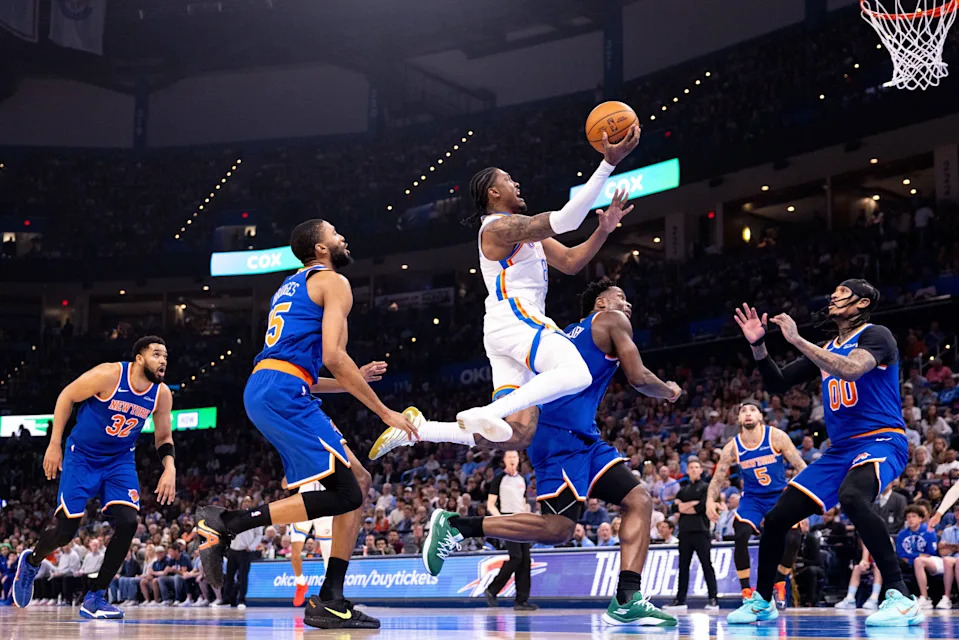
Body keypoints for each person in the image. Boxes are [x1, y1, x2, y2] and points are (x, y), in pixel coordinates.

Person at [417, 280, 682, 627]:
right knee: (558, 529)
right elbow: (638, 376)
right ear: (601, 303)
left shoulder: (565, 333)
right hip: (559, 437)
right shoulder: (612, 320)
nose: (627, 304)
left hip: (583, 436)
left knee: (639, 499)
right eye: (621, 297)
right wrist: (670, 392)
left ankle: (628, 597)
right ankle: (456, 525)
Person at [194, 219, 413, 630]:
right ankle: (230, 522)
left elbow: (308, 369)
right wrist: (385, 412)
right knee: (347, 490)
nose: (343, 236)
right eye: (335, 232)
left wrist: (355, 381)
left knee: (359, 483)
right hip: (281, 390)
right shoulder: (334, 282)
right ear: (321, 248)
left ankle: (332, 598)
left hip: (277, 385)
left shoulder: (293, 284)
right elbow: (333, 354)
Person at [370, 128, 642, 457]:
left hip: (505, 330)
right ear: (494, 193)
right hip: (515, 318)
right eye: (510, 180)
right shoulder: (499, 227)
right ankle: (487, 412)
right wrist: (606, 165)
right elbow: (565, 221)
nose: (517, 184)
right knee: (575, 373)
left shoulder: (522, 232)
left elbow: (570, 262)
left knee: (518, 435)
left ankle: (418, 429)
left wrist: (602, 230)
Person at [727, 280, 920, 626]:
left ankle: (900, 595)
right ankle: (763, 600)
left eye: (842, 293)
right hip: (841, 449)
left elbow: (850, 368)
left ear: (861, 303)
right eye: (832, 292)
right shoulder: (827, 346)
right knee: (776, 518)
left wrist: (796, 340)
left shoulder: (877, 335)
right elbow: (778, 383)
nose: (833, 296)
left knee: (852, 495)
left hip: (881, 439)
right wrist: (759, 347)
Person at [13, 337, 176, 619]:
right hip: (83, 455)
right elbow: (67, 396)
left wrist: (170, 467)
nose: (163, 360)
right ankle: (31, 561)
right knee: (67, 530)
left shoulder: (161, 394)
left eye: (165, 356)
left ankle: (95, 597)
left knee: (128, 523)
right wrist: (54, 444)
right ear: (139, 358)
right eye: (156, 354)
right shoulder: (109, 375)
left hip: (120, 460)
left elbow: (163, 436)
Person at [706, 401, 807, 604]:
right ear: (739, 420)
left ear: (760, 416)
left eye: (753, 410)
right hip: (752, 498)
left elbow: (800, 466)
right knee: (741, 534)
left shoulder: (776, 436)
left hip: (778, 494)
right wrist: (709, 500)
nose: (748, 414)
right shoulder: (732, 447)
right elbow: (717, 478)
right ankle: (746, 592)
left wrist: (804, 501)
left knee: (795, 538)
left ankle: (779, 582)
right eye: (743, 411)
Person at [483, 451, 535, 611]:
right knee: (516, 557)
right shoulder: (499, 479)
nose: (512, 459)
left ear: (519, 460)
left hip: (522, 519)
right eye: (509, 457)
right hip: (507, 519)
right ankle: (492, 589)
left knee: (525, 560)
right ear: (504, 460)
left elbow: (523, 501)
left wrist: (528, 515)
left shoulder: (522, 480)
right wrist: (500, 519)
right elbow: (491, 504)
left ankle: (521, 600)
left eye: (515, 457)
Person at [665, 459, 719, 612]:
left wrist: (684, 506)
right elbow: (674, 508)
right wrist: (690, 504)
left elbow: (701, 507)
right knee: (683, 567)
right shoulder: (683, 489)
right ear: (687, 471)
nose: (694, 470)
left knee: (706, 565)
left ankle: (713, 597)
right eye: (691, 467)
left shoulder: (705, 487)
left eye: (697, 467)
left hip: (701, 531)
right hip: (684, 532)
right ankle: (680, 599)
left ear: (701, 470)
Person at [898, 505, 954, 610]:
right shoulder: (902, 534)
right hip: (915, 562)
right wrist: (917, 555)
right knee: (918, 560)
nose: (910, 519)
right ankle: (924, 598)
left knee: (919, 561)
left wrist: (913, 557)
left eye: (914, 516)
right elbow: (901, 555)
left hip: (934, 561)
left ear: (920, 518)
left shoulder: (929, 531)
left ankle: (925, 597)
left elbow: (931, 553)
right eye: (908, 517)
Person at [288, 480, 333, 606]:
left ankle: (330, 592)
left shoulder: (331, 463)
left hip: (325, 509)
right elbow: (284, 484)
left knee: (328, 558)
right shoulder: (303, 464)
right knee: (295, 554)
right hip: (303, 507)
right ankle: (300, 583)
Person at [834, 539, 883, 610]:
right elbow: (865, 559)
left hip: (885, 566)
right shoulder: (866, 540)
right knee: (857, 568)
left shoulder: (887, 539)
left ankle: (874, 599)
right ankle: (850, 599)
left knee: (878, 567)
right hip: (872, 565)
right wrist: (864, 563)